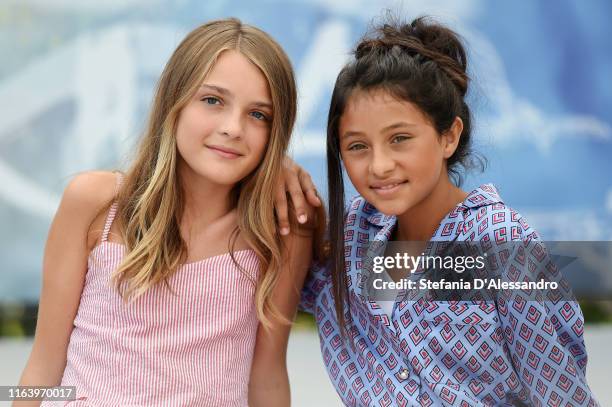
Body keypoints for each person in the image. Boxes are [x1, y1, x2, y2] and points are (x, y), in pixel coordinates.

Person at [284, 15, 599, 406]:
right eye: (357, 146)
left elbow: (560, 392)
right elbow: (274, 276)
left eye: (400, 139)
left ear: (449, 136)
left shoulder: (498, 240)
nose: (379, 165)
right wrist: (278, 168)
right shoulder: (353, 237)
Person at [17, 18, 319, 407]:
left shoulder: (279, 231)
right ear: (172, 101)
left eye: (258, 114)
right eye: (212, 100)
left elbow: (269, 379)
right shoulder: (94, 203)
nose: (232, 127)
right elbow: (42, 368)